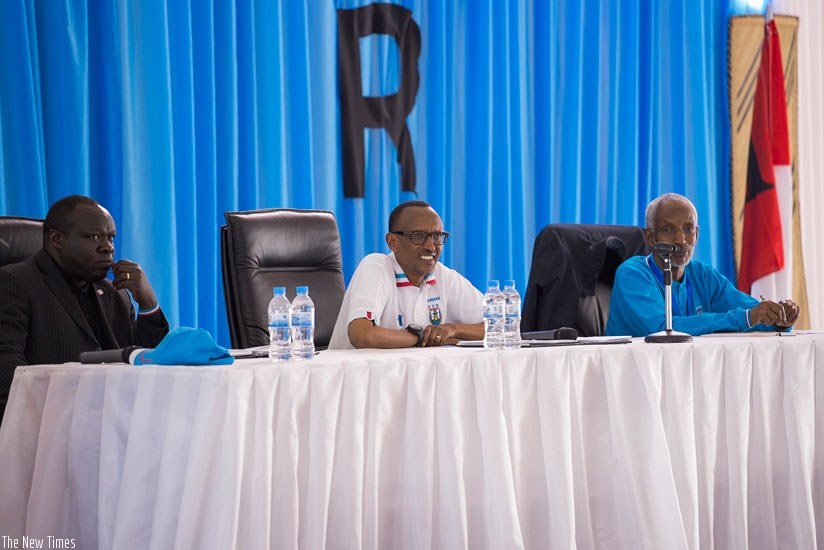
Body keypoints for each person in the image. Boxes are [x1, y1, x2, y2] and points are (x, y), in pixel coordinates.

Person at [0, 195, 170, 422]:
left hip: (112, 425)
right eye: (94, 237)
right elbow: (8, 377)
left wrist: (148, 304)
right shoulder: (15, 283)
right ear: (56, 238)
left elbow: (147, 370)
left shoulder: (115, 293)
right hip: (48, 428)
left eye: (111, 238)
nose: (107, 248)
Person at [606, 193, 800, 337]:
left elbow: (754, 315)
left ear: (697, 235)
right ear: (650, 236)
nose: (681, 240)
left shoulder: (703, 275)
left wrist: (778, 318)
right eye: (668, 229)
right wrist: (745, 317)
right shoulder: (632, 274)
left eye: (688, 229)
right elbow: (663, 331)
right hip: (635, 380)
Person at [328, 200, 484, 349]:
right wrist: (422, 337)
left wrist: (452, 329)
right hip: (355, 375)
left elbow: (502, 325)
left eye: (437, 236)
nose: (431, 246)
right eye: (418, 236)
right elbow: (362, 335)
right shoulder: (376, 267)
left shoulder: (443, 276)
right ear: (393, 242)